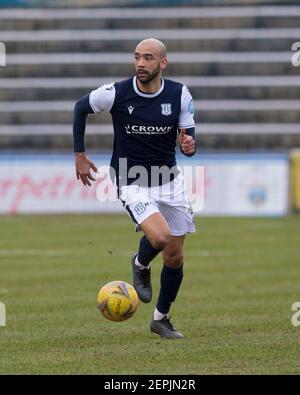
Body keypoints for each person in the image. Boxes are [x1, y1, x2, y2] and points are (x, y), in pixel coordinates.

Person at [73, 38, 196, 339]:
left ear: (162, 63)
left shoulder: (179, 94)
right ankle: (140, 263)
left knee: (175, 257)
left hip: (170, 182)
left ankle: (160, 319)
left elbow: (189, 140)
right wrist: (79, 155)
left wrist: (189, 145)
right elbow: (80, 108)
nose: (141, 63)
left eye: (148, 58)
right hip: (131, 179)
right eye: (137, 57)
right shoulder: (116, 92)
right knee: (160, 236)